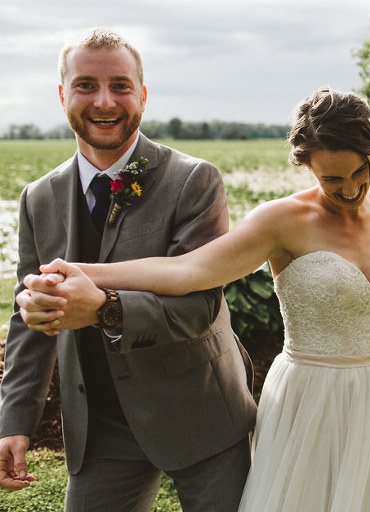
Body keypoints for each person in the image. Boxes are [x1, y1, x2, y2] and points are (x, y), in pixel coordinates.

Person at [22, 88, 370, 511]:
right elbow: (188, 271)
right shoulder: (281, 221)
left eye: (358, 172)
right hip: (308, 399)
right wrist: (86, 272)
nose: (349, 190)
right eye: (331, 179)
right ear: (306, 166)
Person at [1, 28, 257, 511]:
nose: (104, 101)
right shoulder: (38, 198)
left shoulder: (194, 180)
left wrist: (104, 308)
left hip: (200, 410)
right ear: (63, 95)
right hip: (100, 425)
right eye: (86, 85)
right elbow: (27, 314)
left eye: (120, 85)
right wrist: (14, 421)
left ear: (142, 94)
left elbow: (200, 307)